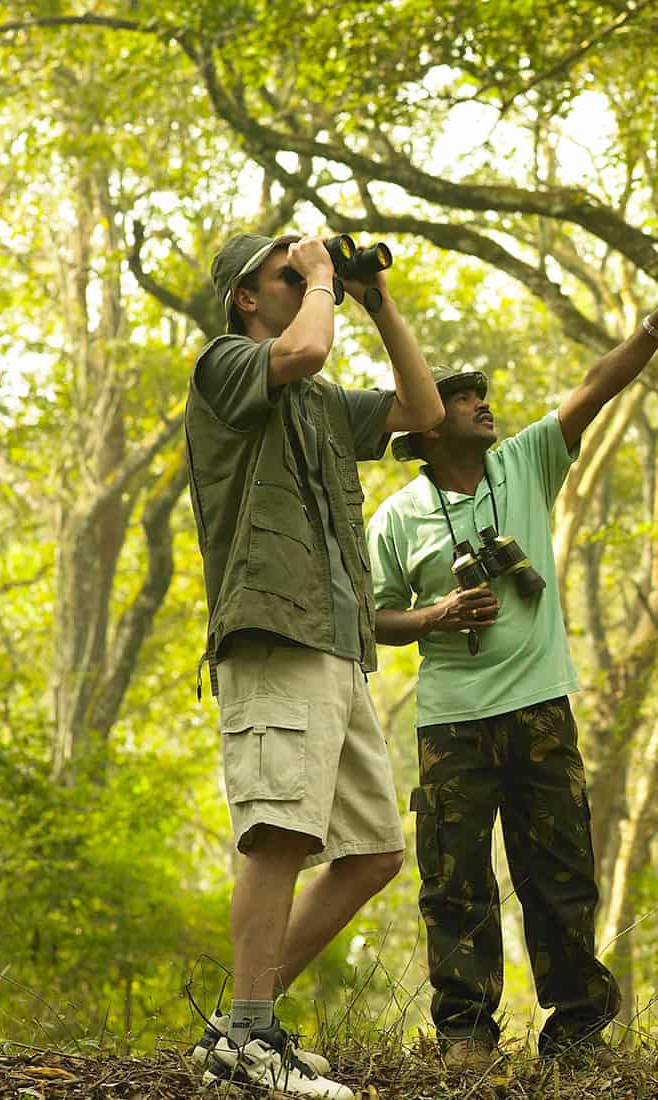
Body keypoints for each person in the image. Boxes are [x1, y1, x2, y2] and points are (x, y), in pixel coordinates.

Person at [367, 254, 658, 1068]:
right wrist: (436, 615)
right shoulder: (397, 517)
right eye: (462, 398)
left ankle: (578, 1036)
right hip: (452, 722)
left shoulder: (524, 462)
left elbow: (598, 386)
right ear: (426, 426)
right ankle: (466, 1035)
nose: (481, 403)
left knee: (560, 873)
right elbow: (372, 617)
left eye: (479, 393)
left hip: (540, 708)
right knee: (454, 883)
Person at [181, 231, 443, 1099]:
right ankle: (252, 1039)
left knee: (373, 852)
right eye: (287, 277)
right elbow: (304, 350)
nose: (304, 286)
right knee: (281, 833)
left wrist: (377, 301)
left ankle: (235, 1031)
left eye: (306, 276)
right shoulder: (224, 364)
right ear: (246, 297)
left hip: (338, 641)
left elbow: (423, 412)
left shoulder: (322, 401)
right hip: (273, 631)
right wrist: (326, 278)